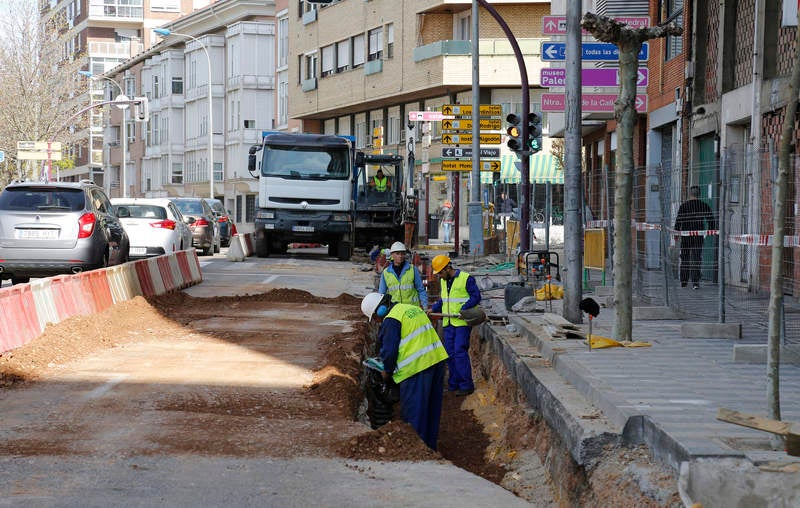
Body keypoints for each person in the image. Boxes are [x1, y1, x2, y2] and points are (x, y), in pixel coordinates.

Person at [361, 292, 448, 450]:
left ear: (379, 310)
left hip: (417, 368)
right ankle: (430, 449)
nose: (377, 321)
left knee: (414, 414)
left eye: (375, 318)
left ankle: (416, 452)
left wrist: (386, 371)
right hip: (437, 361)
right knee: (431, 411)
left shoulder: (391, 320)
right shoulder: (410, 308)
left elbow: (389, 351)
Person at [428, 255, 481, 396]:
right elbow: (444, 300)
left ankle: (466, 385)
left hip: (461, 323)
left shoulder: (465, 278)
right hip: (448, 322)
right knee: (450, 354)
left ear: (448, 268)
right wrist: (433, 309)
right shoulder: (444, 281)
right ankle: (454, 384)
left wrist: (463, 309)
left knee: (459, 351)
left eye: (440, 272)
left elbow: (476, 297)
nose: (439, 276)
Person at [674, 186, 716, 289]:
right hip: (698, 235)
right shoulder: (703, 205)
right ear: (699, 194)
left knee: (685, 257)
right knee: (696, 257)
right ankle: (695, 282)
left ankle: (683, 281)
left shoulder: (684, 206)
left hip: (686, 235)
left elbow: (679, 220)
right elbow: (711, 219)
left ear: (690, 194)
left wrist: (676, 232)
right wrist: (710, 230)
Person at [378, 241, 428, 309]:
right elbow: (381, 294)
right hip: (395, 310)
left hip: (412, 310)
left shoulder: (412, 269)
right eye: (397, 253)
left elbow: (421, 290)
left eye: (402, 253)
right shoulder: (386, 273)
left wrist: (425, 306)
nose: (400, 256)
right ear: (392, 255)